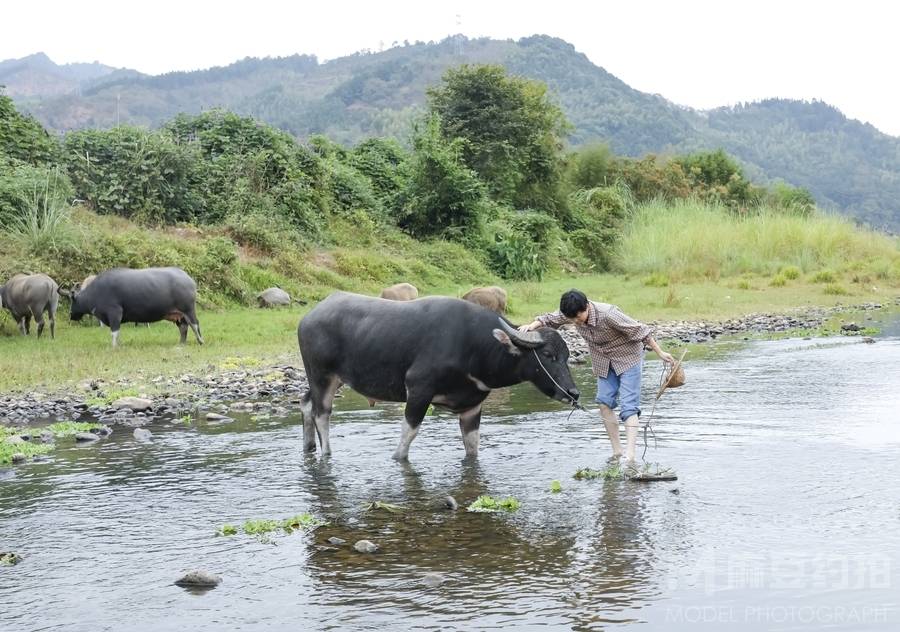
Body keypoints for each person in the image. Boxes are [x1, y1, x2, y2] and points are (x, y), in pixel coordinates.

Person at [519, 289, 674, 463]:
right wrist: (531, 327)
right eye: (572, 319)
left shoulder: (608, 314)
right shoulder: (571, 312)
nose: (576, 321)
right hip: (603, 362)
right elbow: (550, 318)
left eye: (579, 317)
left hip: (629, 358)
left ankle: (630, 456)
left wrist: (660, 352)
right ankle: (617, 452)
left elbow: (641, 331)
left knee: (629, 406)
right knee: (603, 402)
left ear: (586, 306)